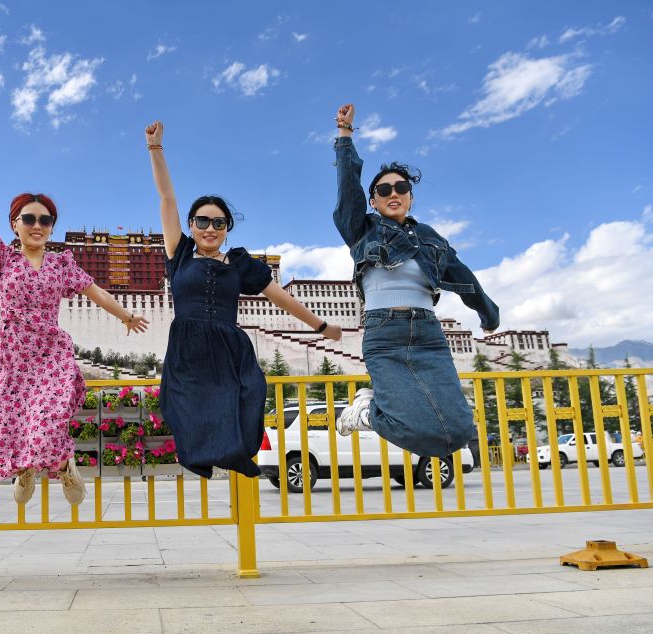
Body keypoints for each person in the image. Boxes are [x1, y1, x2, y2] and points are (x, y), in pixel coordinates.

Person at [0, 124, 149, 506]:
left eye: (44, 220)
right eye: (29, 219)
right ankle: (25, 469)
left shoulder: (62, 263)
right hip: (13, 356)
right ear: (14, 224)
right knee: (0, 423)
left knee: (48, 418)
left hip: (50, 353)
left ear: (51, 227)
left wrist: (125, 316)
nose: (37, 226)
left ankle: (64, 465)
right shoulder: (2, 258)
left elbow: (95, 290)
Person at [145, 120, 342, 479]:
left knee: (250, 391)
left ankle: (236, 452)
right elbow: (167, 199)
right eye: (203, 221)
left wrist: (322, 326)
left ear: (227, 229)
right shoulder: (180, 253)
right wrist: (156, 149)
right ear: (191, 225)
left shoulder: (239, 263)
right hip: (188, 345)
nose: (210, 229)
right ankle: (201, 456)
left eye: (219, 224)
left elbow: (281, 297)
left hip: (229, 344)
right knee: (186, 402)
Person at [330, 104, 500, 459]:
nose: (393, 193)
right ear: (373, 201)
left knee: (458, 432)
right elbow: (347, 189)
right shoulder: (361, 229)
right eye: (384, 189)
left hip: (429, 333)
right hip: (384, 333)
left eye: (401, 187)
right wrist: (345, 135)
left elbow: (464, 278)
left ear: (410, 195)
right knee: (409, 425)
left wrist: (488, 315)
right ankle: (366, 412)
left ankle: (372, 407)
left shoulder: (430, 237)